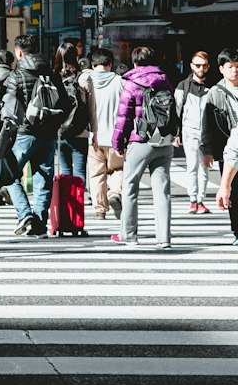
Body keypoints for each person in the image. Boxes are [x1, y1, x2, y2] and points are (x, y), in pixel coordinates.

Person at [3, 33, 72, 236]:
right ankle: (40, 225)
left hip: (24, 133)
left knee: (10, 174)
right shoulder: (52, 74)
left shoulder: (16, 75)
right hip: (48, 134)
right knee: (44, 179)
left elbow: (9, 107)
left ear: (20, 52)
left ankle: (24, 214)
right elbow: (66, 105)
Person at [110, 45, 174, 249]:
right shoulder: (165, 80)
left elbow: (123, 117)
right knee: (162, 190)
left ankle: (129, 234)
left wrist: (117, 143)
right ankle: (163, 238)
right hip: (164, 140)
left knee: (130, 187)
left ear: (135, 62)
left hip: (140, 140)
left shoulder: (131, 84)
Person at [79, 46, 124, 220]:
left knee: (96, 173)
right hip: (116, 136)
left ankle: (99, 209)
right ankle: (115, 194)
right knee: (118, 168)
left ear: (93, 64)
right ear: (110, 64)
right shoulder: (120, 82)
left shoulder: (85, 80)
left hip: (93, 137)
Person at [201, 49, 238, 244]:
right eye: (230, 67)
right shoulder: (215, 93)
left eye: (237, 67)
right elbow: (206, 124)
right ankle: (236, 230)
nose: (235, 71)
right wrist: (207, 151)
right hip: (227, 151)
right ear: (221, 69)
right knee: (232, 190)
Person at [175, 51, 213, 214]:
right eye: (197, 65)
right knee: (192, 166)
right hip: (189, 132)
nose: (201, 68)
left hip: (207, 135)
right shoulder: (183, 86)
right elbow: (176, 111)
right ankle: (193, 200)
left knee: (204, 167)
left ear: (208, 66)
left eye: (204, 65)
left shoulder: (212, 88)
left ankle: (201, 200)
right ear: (191, 66)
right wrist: (176, 134)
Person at [56, 41, 90, 187]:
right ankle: (78, 205)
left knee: (65, 170)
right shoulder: (83, 78)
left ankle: (66, 205)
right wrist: (94, 130)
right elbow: (91, 106)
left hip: (60, 131)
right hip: (80, 131)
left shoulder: (55, 78)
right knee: (80, 171)